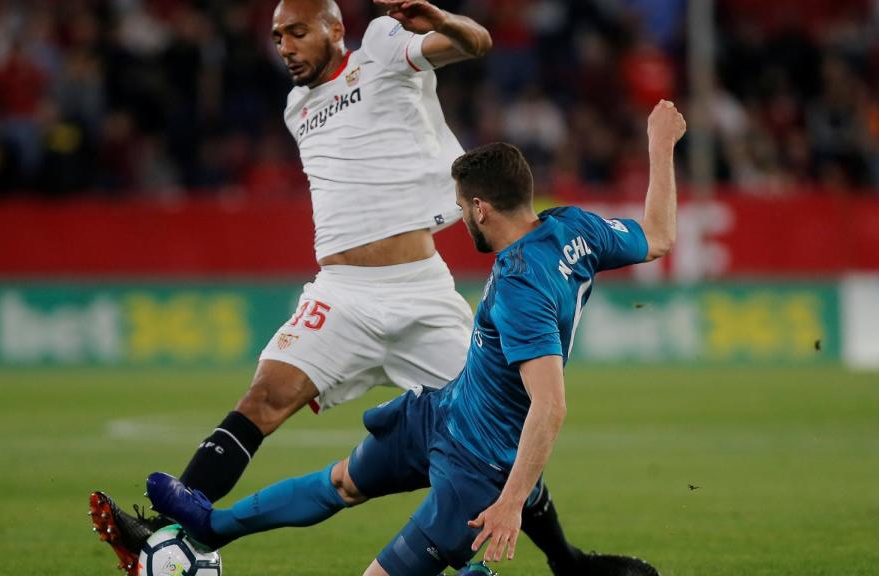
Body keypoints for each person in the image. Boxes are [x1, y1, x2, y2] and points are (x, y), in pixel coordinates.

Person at [144, 101, 687, 576]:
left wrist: (511, 503)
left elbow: (550, 406)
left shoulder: (524, 287)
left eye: (461, 206)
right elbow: (659, 237)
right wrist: (659, 144)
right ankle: (213, 527)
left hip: (478, 464)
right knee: (342, 483)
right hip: (443, 411)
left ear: (481, 209)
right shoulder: (573, 227)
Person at [92, 1, 492, 573]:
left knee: (485, 430)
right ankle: (160, 537)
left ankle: (498, 563)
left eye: (298, 33)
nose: (285, 47)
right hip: (343, 294)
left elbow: (476, 43)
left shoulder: (382, 50)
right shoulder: (297, 107)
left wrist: (442, 21)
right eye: (278, 37)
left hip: (420, 291)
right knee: (262, 398)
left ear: (335, 30)